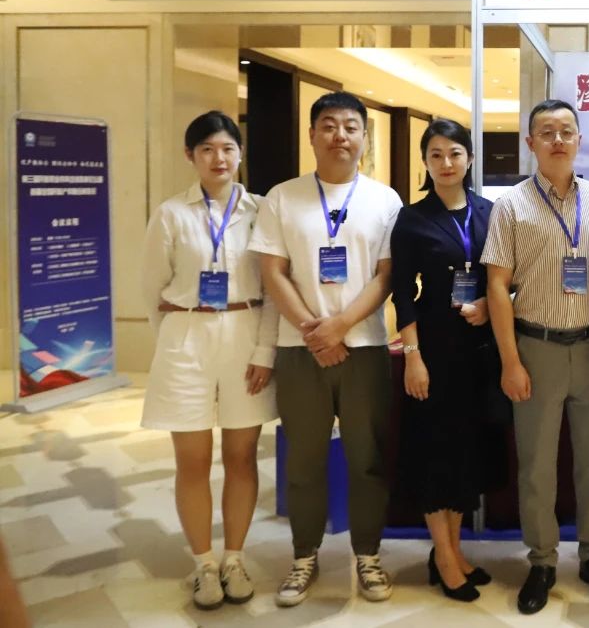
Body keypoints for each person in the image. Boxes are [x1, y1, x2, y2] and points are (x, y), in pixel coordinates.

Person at [248, 91, 404, 607]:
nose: (340, 135)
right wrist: (314, 332)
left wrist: (340, 326)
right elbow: (272, 272)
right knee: (304, 461)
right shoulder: (281, 197)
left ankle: (368, 556)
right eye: (330, 125)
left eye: (351, 126)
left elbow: (386, 277)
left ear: (364, 137)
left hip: (365, 349)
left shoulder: (385, 200)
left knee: (367, 459)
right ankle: (303, 557)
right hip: (300, 351)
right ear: (312, 134)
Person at [481, 99, 589, 615]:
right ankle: (541, 562)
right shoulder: (511, 205)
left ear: (579, 139)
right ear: (531, 143)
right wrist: (510, 361)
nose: (558, 140)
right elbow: (497, 287)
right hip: (535, 349)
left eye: (566, 131)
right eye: (547, 132)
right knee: (537, 466)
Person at [140, 110, 277, 610]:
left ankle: (234, 558)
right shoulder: (171, 214)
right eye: (207, 150)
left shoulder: (262, 211)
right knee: (193, 460)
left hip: (246, 335)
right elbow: (151, 288)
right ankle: (203, 564)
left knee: (242, 456)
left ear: (240, 153)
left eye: (227, 149)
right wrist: (174, 340)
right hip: (187, 337)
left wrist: (265, 351)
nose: (218, 158)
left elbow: (273, 288)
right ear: (190, 155)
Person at [390, 119, 504, 602]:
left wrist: (491, 307)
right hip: (434, 348)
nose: (446, 163)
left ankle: (454, 551)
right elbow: (402, 294)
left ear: (470, 159)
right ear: (425, 162)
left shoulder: (490, 212)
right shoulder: (413, 218)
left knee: (465, 454)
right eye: (435, 154)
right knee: (435, 453)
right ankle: (443, 556)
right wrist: (413, 356)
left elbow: (506, 277)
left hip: (478, 352)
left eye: (455, 153)